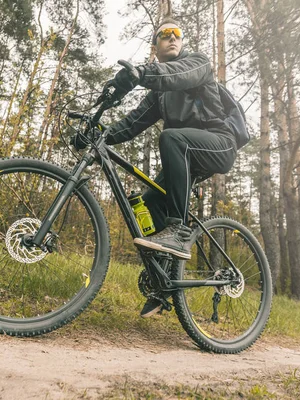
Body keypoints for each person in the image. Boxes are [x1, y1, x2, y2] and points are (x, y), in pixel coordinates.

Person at [104, 18, 238, 317]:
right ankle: (164, 284)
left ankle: (178, 229)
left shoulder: (197, 64)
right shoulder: (159, 95)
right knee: (149, 200)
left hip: (219, 143)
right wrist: (97, 131)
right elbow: (131, 124)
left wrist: (141, 73)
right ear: (156, 46)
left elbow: (176, 75)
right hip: (185, 152)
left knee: (172, 137)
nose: (173, 37)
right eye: (165, 34)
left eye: (178, 33)